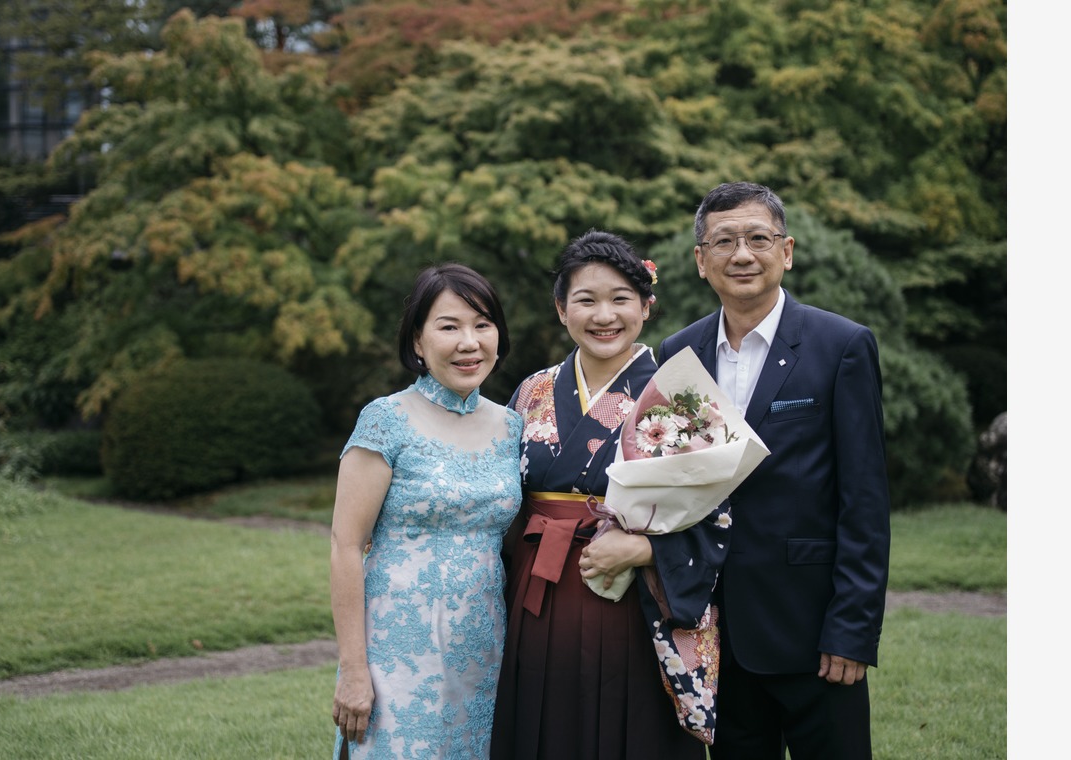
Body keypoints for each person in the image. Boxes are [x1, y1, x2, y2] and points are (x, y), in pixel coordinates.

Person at [658, 182, 890, 759]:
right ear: (700, 260)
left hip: (812, 625)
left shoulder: (842, 346)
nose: (742, 254)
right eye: (725, 241)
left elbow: (864, 498)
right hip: (717, 629)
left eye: (758, 238)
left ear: (785, 251)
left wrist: (852, 628)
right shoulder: (678, 355)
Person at [490, 230, 730, 760]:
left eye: (621, 299)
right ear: (561, 310)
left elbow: (719, 513)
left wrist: (648, 550)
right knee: (539, 721)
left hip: (631, 596)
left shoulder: (679, 395)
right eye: (586, 300)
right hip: (538, 588)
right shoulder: (532, 391)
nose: (604, 315)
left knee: (631, 730)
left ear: (647, 307)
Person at [330, 263, 524, 759]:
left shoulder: (512, 427)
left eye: (483, 325)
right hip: (397, 647)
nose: (469, 342)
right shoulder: (385, 420)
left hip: (485, 643)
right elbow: (346, 546)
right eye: (449, 326)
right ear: (418, 341)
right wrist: (354, 669)